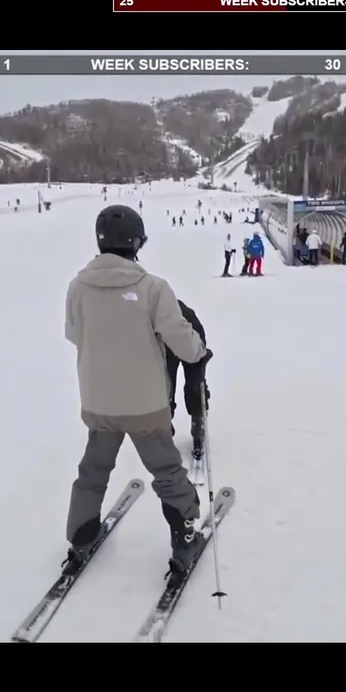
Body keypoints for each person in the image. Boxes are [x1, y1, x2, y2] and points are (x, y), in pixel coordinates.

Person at [63, 205, 212, 577]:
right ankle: (184, 538)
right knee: (166, 470)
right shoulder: (153, 288)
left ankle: (81, 535)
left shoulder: (78, 286)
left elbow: (73, 333)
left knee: (93, 469)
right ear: (137, 242)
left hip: (98, 402)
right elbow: (181, 339)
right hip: (144, 405)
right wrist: (199, 352)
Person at [166, 300, 212, 459]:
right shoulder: (147, 317)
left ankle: (198, 424)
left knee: (194, 385)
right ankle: (163, 427)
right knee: (164, 387)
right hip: (165, 345)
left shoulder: (180, 315)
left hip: (192, 340)